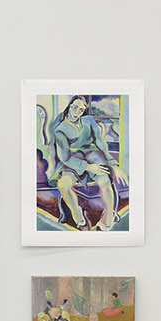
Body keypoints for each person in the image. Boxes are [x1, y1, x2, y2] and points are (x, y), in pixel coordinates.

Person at [42, 95, 125, 231]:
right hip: (73, 159)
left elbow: (100, 142)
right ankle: (78, 216)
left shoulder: (89, 121)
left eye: (81, 110)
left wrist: (113, 163)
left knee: (104, 181)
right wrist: (88, 167)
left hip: (93, 155)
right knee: (63, 184)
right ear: (69, 107)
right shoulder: (60, 129)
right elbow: (65, 158)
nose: (77, 112)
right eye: (75, 107)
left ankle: (108, 217)